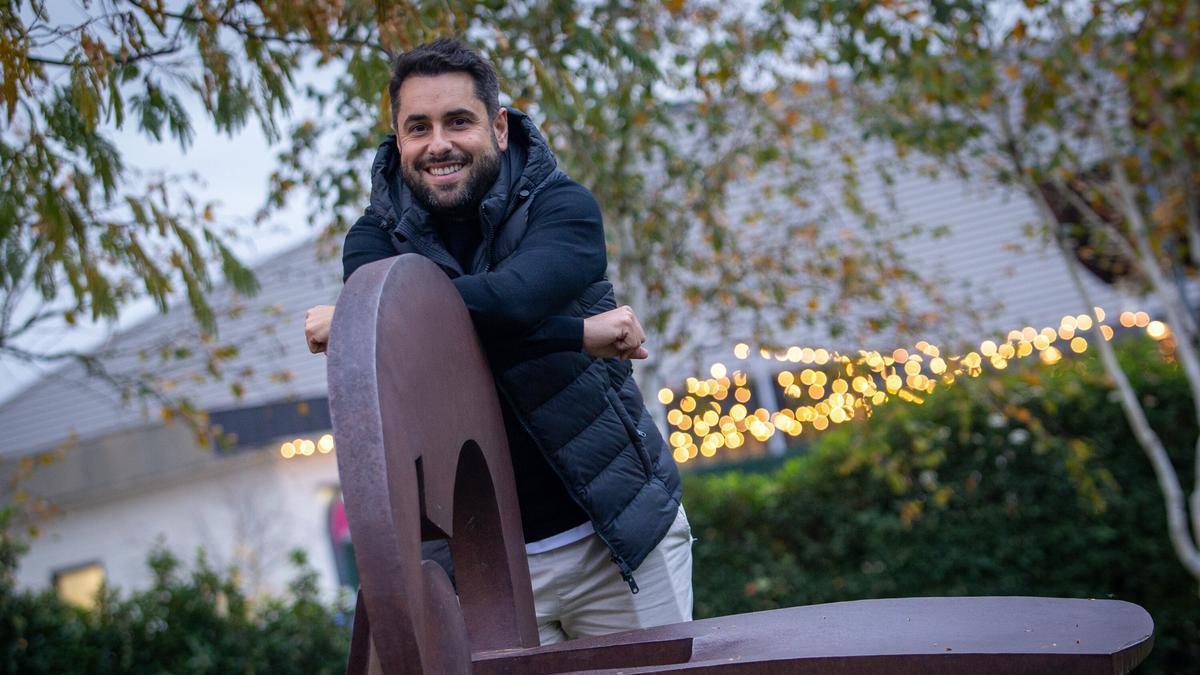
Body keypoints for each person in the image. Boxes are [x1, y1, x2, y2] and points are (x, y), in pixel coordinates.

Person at [303, 38, 691, 645]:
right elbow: (432, 358)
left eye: (458, 121)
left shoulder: (561, 207)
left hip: (617, 542)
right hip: (485, 571)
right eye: (418, 127)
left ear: (499, 127)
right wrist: (577, 335)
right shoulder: (373, 243)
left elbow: (511, 302)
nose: (439, 144)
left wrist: (374, 317)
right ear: (398, 140)